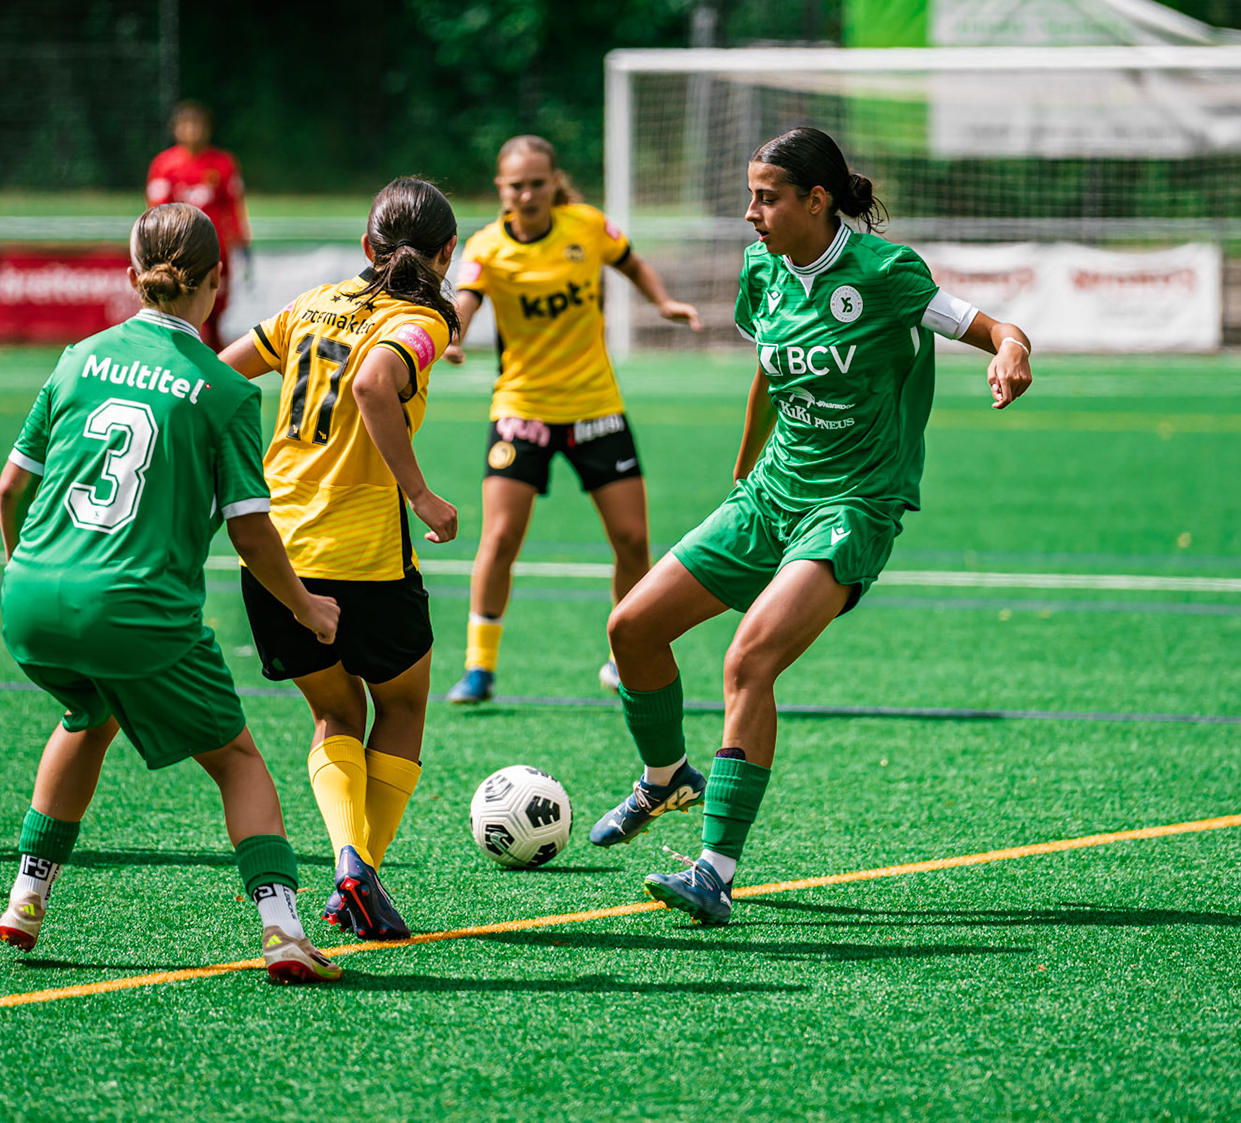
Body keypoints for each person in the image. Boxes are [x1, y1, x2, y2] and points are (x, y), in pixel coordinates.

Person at [587, 127, 1033, 925]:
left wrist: (1011, 352)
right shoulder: (761, 270)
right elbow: (769, 370)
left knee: (748, 660)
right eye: (750, 197)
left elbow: (995, 328)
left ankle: (715, 872)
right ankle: (666, 779)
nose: (750, 213)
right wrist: (744, 468)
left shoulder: (886, 274)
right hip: (771, 495)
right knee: (631, 629)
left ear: (816, 200)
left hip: (853, 505)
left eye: (767, 198)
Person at [0, 203, 343, 983]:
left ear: (131, 276)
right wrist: (307, 607)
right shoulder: (225, 391)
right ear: (219, 279)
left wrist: (27, 571)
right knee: (239, 760)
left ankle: (24, 898)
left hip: (31, 601)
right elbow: (253, 534)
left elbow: (12, 486)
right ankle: (284, 930)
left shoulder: (78, 357)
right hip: (135, 610)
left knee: (89, 715)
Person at [218, 178, 460, 942]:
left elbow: (216, 375)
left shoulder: (311, 304)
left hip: (273, 552)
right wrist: (420, 494)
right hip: (364, 556)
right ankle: (358, 869)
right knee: (404, 708)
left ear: (366, 248)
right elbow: (374, 382)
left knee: (335, 713)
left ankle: (354, 872)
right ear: (448, 253)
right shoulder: (421, 319)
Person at [441, 135, 703, 705]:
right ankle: (479, 667)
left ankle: (623, 657)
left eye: (538, 183)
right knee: (500, 538)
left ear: (554, 182)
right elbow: (467, 299)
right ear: (501, 188)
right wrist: (454, 337)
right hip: (522, 412)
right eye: (516, 185)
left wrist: (662, 303)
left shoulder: (586, 226)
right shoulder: (487, 246)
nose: (527, 194)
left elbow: (632, 263)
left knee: (632, 539)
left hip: (596, 409)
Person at [146, 100, 252, 344]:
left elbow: (233, 205)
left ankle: (214, 356)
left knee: (215, 308)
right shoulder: (165, 165)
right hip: (178, 251)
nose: (192, 130)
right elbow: (157, 211)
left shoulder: (223, 163)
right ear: (176, 129)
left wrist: (241, 237)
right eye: (186, 125)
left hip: (216, 249)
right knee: (179, 307)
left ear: (208, 129)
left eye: (198, 125)